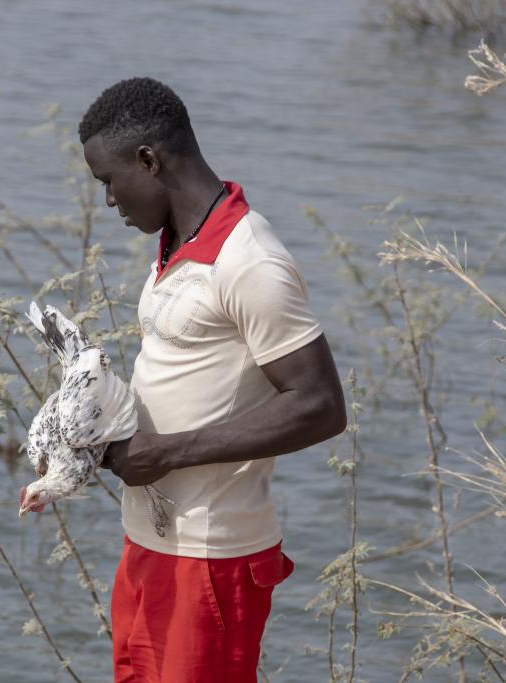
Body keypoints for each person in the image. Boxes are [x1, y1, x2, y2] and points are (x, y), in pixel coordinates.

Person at [77, 77, 347, 683]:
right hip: (148, 543)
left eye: (108, 182)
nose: (109, 202)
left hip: (211, 558)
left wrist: (169, 451)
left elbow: (322, 406)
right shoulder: (179, 241)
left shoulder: (251, 260)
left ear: (149, 160)